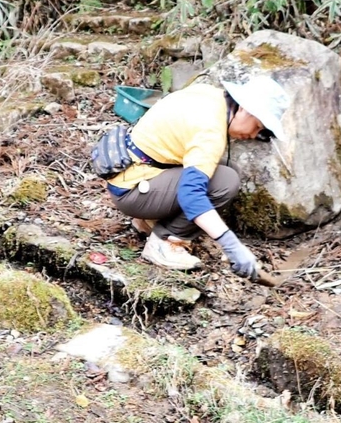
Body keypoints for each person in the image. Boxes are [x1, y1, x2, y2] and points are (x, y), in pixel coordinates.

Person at [105, 76, 290, 280]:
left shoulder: (209, 95)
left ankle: (147, 222)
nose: (255, 135)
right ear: (245, 110)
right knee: (225, 182)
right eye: (258, 126)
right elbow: (191, 195)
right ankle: (163, 243)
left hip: (133, 174)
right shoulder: (211, 131)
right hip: (132, 191)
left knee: (226, 169)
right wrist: (232, 245)